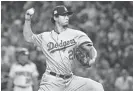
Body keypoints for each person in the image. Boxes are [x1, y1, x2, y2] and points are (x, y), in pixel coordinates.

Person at [23, 5, 104, 91]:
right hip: (52, 80)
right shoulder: (45, 36)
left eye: (67, 15)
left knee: (97, 87)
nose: (67, 17)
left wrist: (92, 59)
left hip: (70, 80)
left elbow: (90, 48)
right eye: (63, 15)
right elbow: (28, 37)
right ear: (55, 17)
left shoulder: (76, 34)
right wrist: (27, 20)